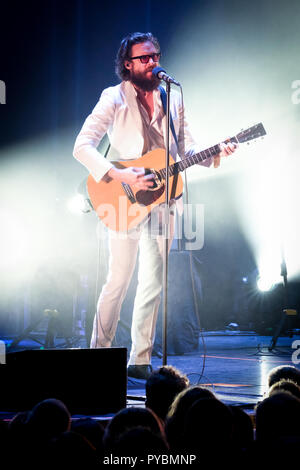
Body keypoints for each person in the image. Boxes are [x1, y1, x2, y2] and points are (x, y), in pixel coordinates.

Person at [73, 32, 237, 380]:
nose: (152, 62)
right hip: (123, 199)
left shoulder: (171, 98)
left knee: (153, 281)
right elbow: (82, 146)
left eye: (155, 55)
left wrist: (216, 153)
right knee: (118, 279)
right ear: (127, 64)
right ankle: (98, 354)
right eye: (144, 58)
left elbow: (186, 151)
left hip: (164, 201)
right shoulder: (113, 97)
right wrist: (122, 174)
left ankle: (141, 359)